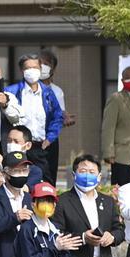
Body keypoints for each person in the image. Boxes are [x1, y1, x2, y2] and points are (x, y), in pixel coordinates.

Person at [6, 53, 64, 183]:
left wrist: (50, 138)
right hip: (20, 146)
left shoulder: (48, 92)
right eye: (28, 68)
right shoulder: (11, 91)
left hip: (43, 145)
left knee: (46, 182)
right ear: (22, 70)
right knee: (19, 179)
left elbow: (57, 116)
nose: (32, 71)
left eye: (35, 67)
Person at [37, 49, 75, 185]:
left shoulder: (57, 91)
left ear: (53, 68)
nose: (42, 67)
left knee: (49, 175)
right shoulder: (25, 88)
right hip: (30, 139)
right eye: (39, 63)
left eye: (46, 64)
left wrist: (64, 119)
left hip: (50, 140)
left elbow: (60, 116)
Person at [0, 124, 45, 190]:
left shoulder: (34, 171)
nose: (11, 144)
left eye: (16, 142)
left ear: (28, 145)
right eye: (9, 141)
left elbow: (24, 190)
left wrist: (2, 166)